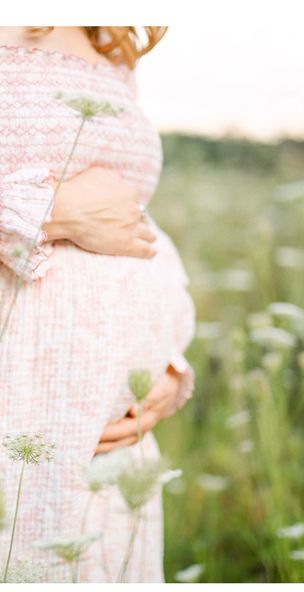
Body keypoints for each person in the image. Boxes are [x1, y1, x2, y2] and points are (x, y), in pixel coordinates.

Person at [0, 26, 195, 583]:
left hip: (111, 457)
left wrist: (165, 369)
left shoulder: (108, 36)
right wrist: (43, 209)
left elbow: (130, 218)